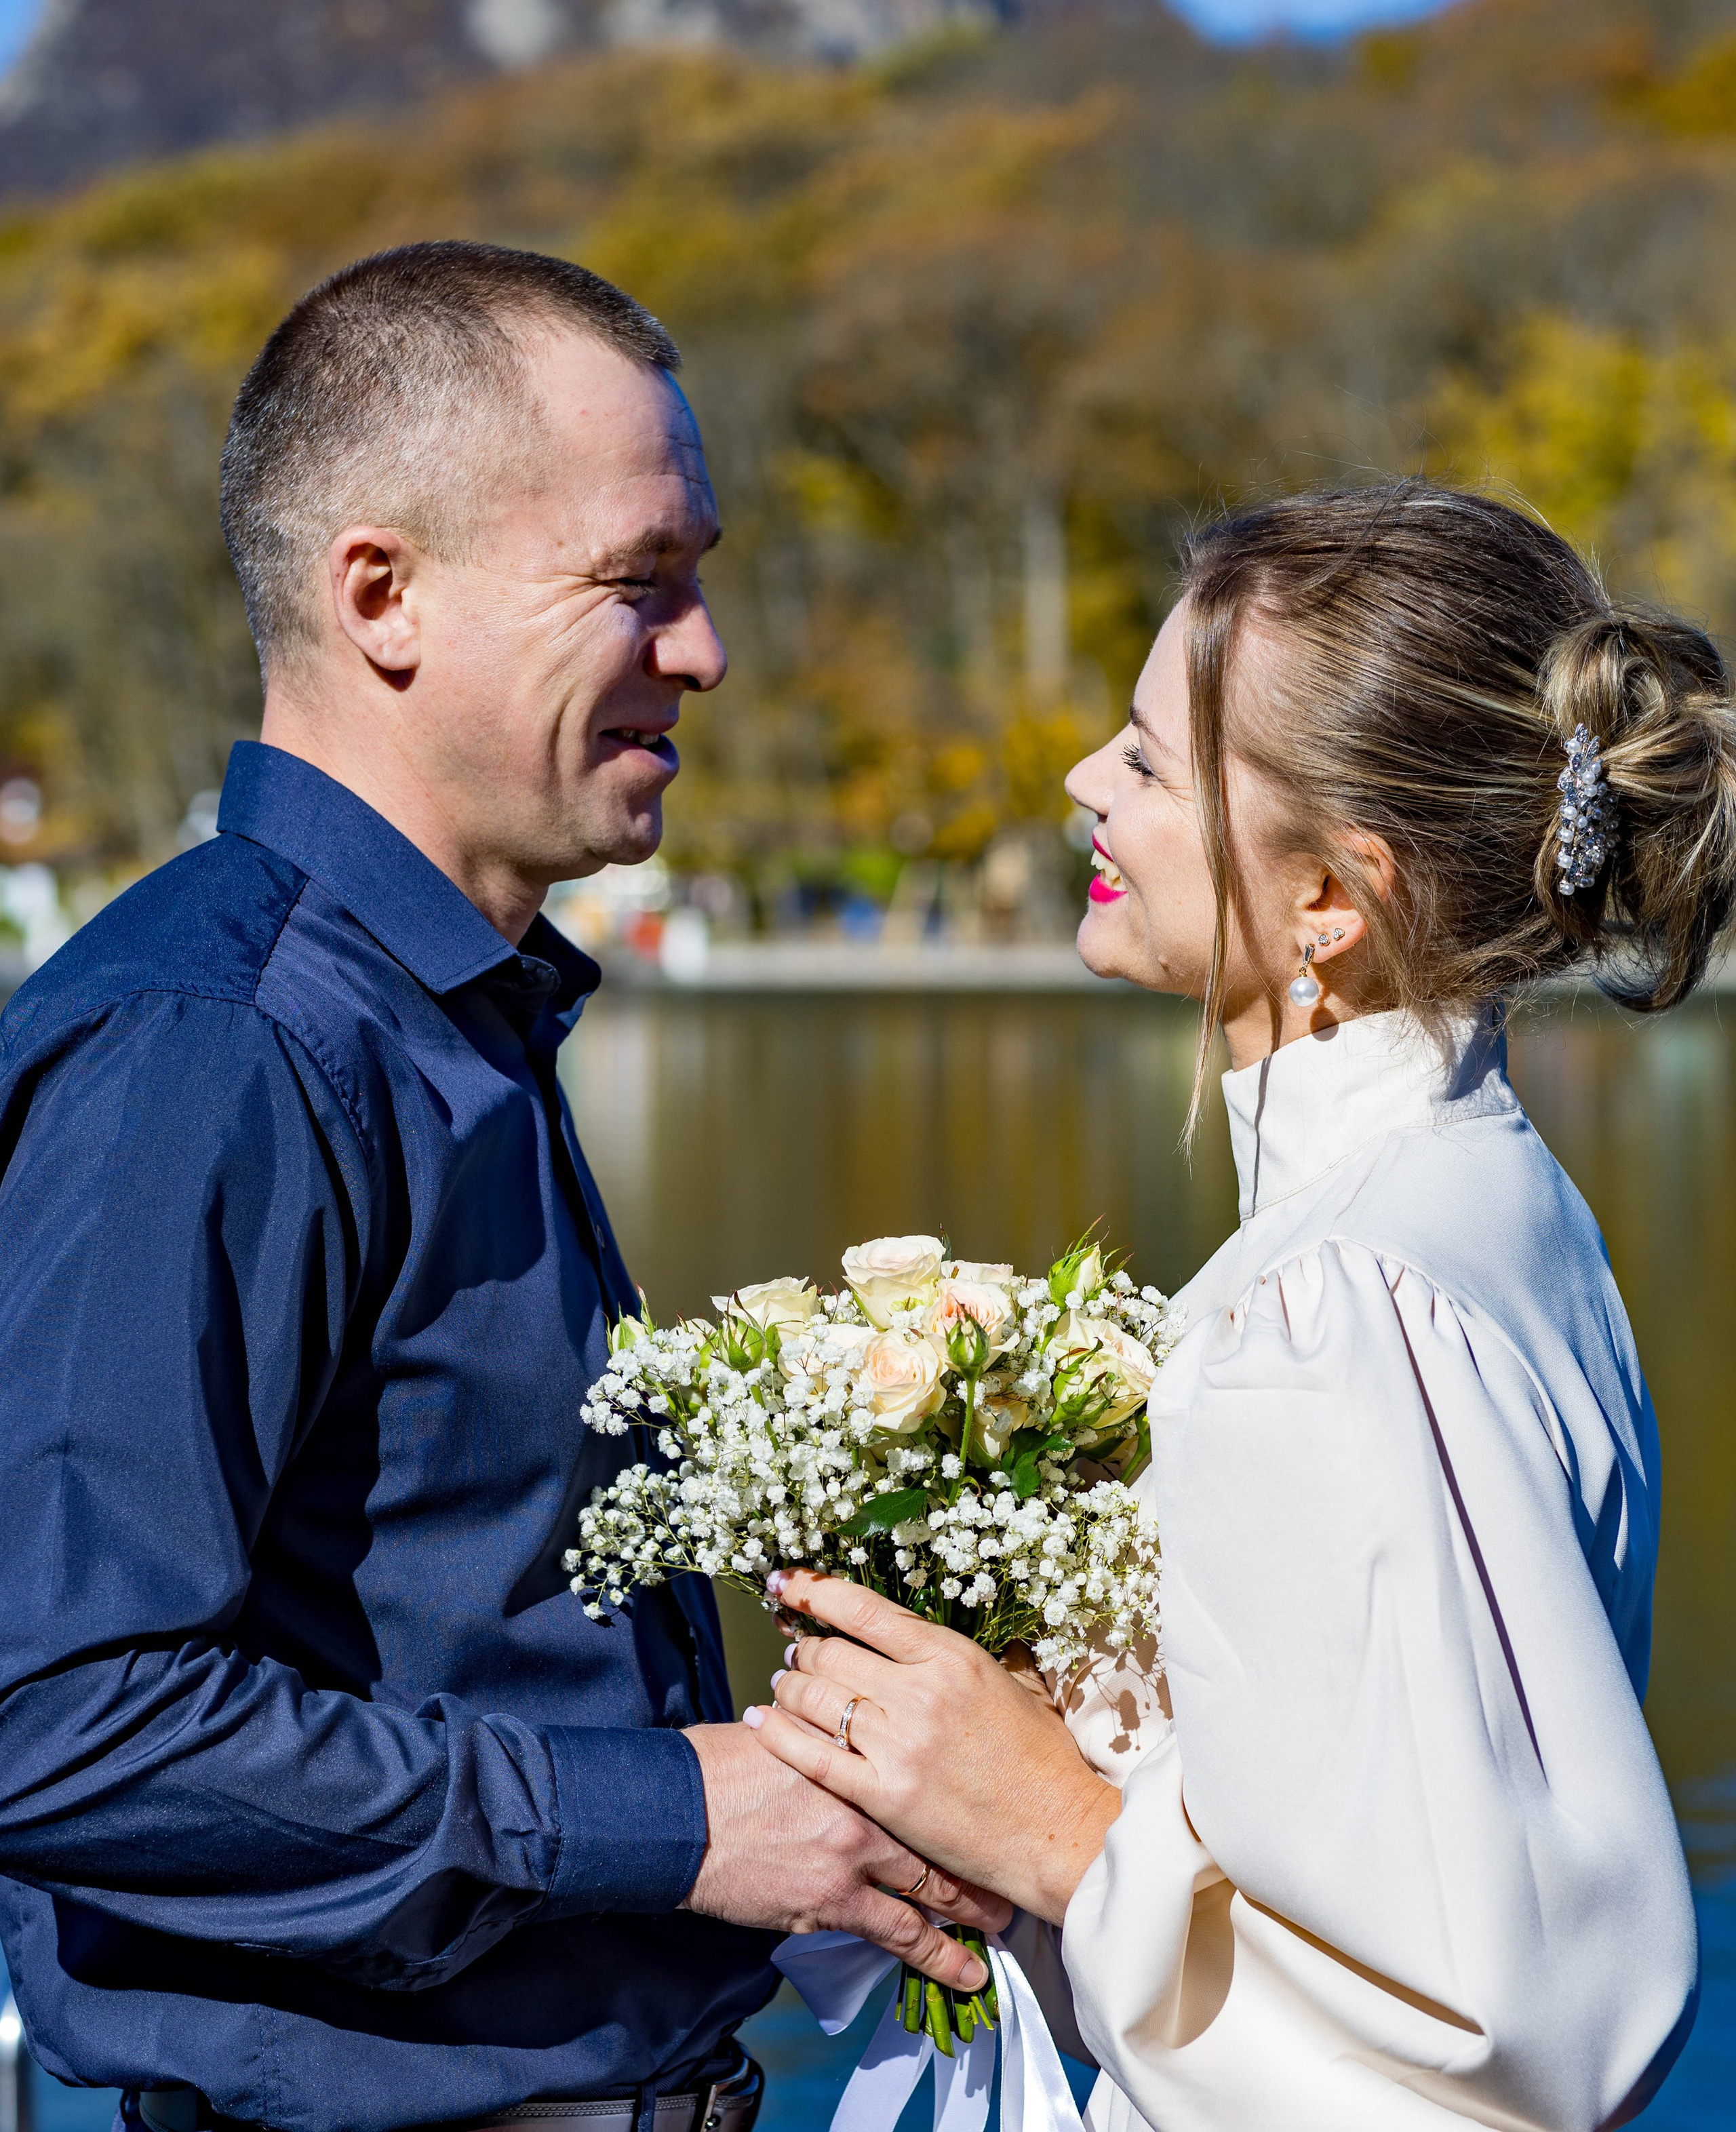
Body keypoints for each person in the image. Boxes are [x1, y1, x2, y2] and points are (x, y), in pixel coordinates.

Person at [0, 241, 1003, 2132]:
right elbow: (53, 1721)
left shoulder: (449, 1015)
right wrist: (679, 1812)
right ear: (383, 594)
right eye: (644, 580)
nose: (704, 647)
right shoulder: (218, 1044)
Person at [746, 481, 1724, 2131]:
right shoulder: (1491, 1202)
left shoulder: (1339, 1309)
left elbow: (1482, 2057)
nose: (1080, 787)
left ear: (1331, 901)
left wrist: (1049, 1825)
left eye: (1142, 761)